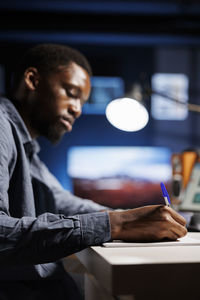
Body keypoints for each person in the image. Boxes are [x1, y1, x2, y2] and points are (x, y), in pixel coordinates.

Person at [0, 43, 187, 299]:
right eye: (71, 92)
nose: (77, 108)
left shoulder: (27, 147)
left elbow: (65, 203)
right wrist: (117, 223)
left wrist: (135, 218)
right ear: (32, 80)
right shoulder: (1, 126)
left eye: (82, 101)